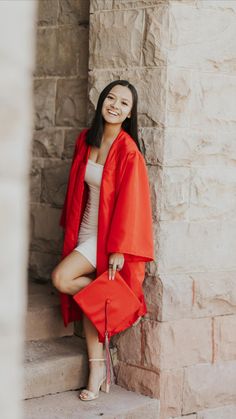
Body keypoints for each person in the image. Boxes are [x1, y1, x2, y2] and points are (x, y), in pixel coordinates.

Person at [51, 80, 154, 401]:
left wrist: (118, 248)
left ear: (130, 113)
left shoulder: (128, 152)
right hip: (83, 230)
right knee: (95, 299)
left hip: (106, 237)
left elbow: (132, 203)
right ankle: (98, 369)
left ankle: (113, 307)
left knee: (61, 278)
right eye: (111, 98)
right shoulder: (86, 139)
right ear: (102, 102)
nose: (115, 105)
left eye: (124, 103)